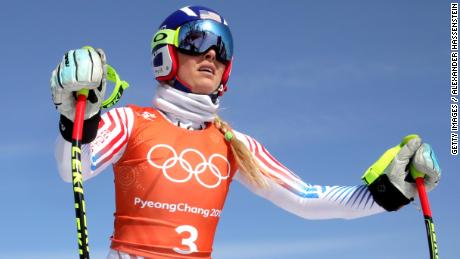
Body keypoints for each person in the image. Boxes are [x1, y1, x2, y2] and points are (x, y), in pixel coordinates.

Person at [50, 5, 441, 259]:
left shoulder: (233, 143)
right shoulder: (130, 121)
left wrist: (389, 191)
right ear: (167, 54)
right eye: (197, 40)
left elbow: (305, 199)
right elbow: (74, 169)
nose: (211, 55)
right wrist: (76, 119)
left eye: (222, 48)